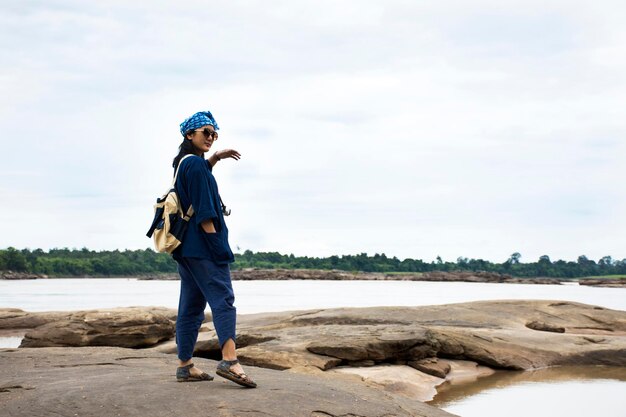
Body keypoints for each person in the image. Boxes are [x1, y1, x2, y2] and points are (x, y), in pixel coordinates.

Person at [171, 110, 256, 388]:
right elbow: (205, 213)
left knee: (191, 306)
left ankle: (185, 365)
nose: (210, 137)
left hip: (186, 249)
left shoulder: (185, 163)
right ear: (189, 134)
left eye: (214, 133)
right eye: (205, 132)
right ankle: (230, 361)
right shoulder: (194, 165)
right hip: (203, 246)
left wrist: (216, 158)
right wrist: (217, 245)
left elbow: (199, 175)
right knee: (223, 299)